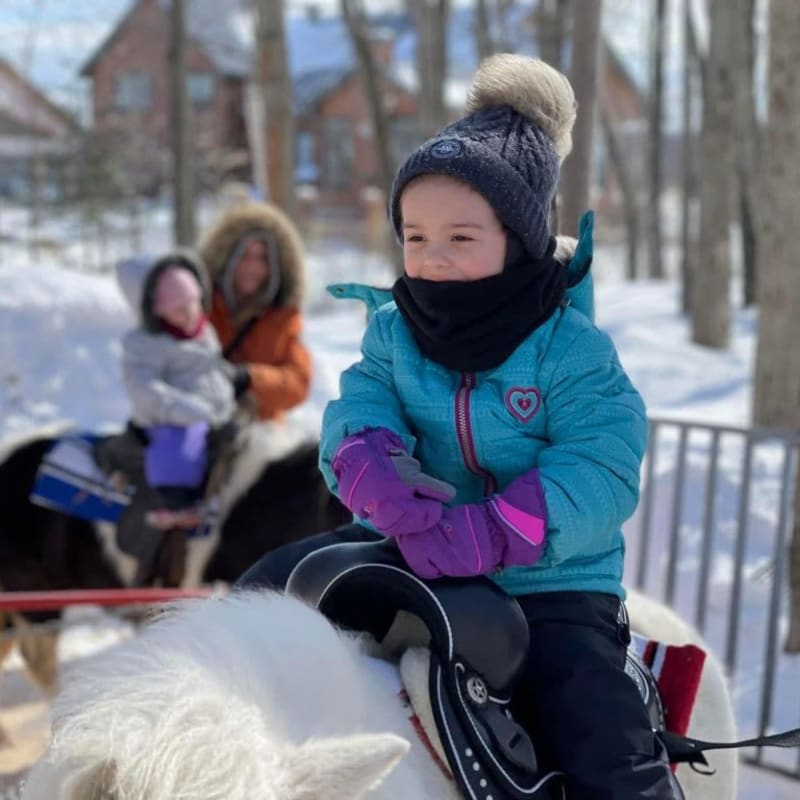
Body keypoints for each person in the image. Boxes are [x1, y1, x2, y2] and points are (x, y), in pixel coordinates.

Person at [237, 54, 679, 799]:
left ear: (521, 239)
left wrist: (497, 528)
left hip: (552, 579)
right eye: (415, 236)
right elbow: (361, 403)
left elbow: (602, 463)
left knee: (597, 730)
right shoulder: (394, 332)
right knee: (260, 594)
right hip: (412, 549)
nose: (432, 260)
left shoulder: (571, 348)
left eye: (461, 238)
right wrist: (366, 460)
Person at [118, 250, 236, 528]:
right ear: (157, 312)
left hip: (212, 412)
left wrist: (228, 384)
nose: (189, 315)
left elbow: (208, 369)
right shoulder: (144, 345)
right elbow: (143, 388)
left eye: (193, 304)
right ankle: (174, 502)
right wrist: (181, 408)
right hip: (171, 419)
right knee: (179, 448)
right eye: (178, 309)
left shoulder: (203, 332)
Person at [198, 201, 312, 421]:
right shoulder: (202, 308)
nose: (253, 266)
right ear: (227, 258)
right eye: (244, 255)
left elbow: (298, 383)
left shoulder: (282, 316)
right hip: (207, 424)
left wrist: (249, 378)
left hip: (262, 431)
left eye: (262, 258)